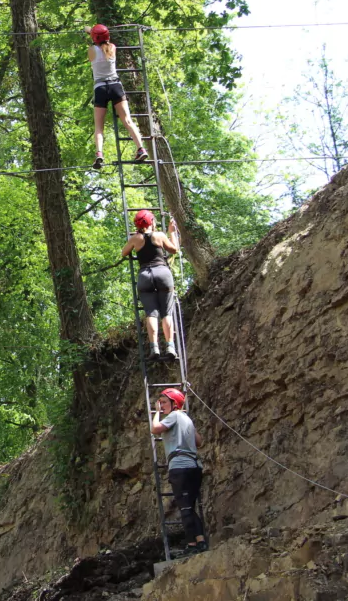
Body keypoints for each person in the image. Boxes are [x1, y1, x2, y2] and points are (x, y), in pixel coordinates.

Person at [151, 388, 207, 555]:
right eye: (160, 403)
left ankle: (192, 544)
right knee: (189, 507)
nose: (161, 406)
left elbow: (155, 429)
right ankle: (200, 541)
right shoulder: (187, 419)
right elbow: (199, 441)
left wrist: (156, 413)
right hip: (194, 467)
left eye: (164, 402)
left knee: (185, 508)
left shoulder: (174, 416)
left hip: (180, 467)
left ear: (175, 404)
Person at [86, 24, 148, 169]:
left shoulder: (91, 50)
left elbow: (94, 44)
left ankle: (99, 153)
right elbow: (101, 41)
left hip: (100, 88)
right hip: (115, 86)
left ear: (94, 38)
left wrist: (89, 30)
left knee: (99, 127)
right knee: (127, 120)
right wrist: (94, 32)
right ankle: (141, 148)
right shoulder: (112, 48)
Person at [121, 209, 180, 360]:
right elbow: (174, 249)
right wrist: (172, 232)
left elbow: (124, 253)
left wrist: (135, 241)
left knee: (151, 313)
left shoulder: (136, 238)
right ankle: (170, 347)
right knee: (166, 312)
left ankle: (154, 348)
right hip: (162, 273)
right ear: (151, 222)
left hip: (145, 276)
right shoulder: (159, 235)